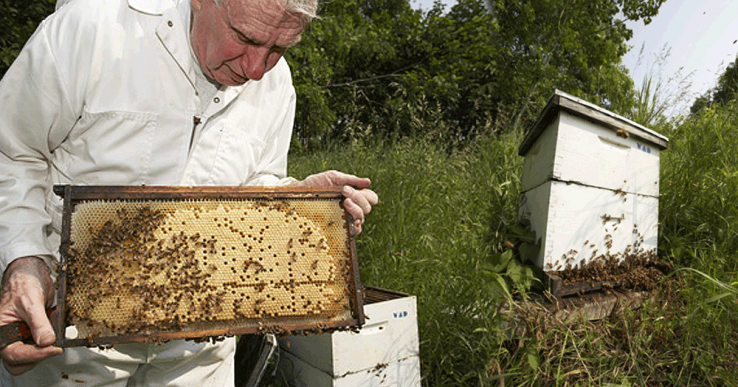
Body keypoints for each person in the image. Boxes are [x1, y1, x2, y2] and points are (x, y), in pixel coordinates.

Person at [0, 0, 378, 384]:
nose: (256, 69)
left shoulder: (277, 85)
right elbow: (12, 151)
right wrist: (22, 261)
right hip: (69, 343)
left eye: (279, 49)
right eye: (245, 38)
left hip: (198, 354)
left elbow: (248, 191)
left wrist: (295, 201)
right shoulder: (93, 30)